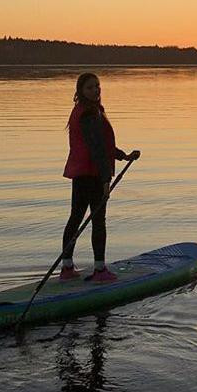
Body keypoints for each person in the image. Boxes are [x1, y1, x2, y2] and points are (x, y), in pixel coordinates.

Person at [61, 73, 139, 283]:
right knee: (98, 221)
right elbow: (96, 150)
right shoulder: (88, 114)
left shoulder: (86, 111)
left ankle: (67, 267)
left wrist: (122, 156)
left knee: (76, 218)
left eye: (97, 86)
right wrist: (105, 180)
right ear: (80, 92)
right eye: (90, 88)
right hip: (92, 175)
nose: (95, 90)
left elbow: (101, 144)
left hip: (81, 174)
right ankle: (99, 270)